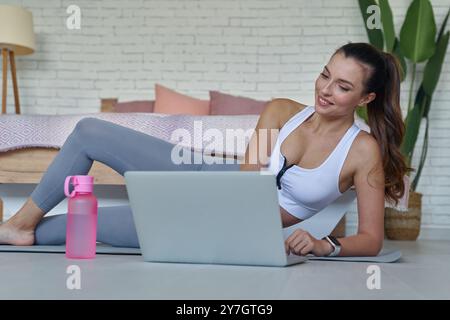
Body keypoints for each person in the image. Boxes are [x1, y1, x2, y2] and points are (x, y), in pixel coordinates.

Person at [0, 42, 411, 257]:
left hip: (222, 226)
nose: (324, 90)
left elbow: (372, 238)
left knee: (70, 229)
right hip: (204, 179)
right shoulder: (283, 111)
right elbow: (251, 180)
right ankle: (18, 222)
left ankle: (19, 229)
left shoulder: (362, 152)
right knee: (90, 129)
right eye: (325, 75)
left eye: (342, 86)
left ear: (365, 99)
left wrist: (326, 244)